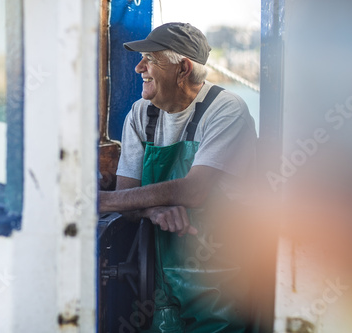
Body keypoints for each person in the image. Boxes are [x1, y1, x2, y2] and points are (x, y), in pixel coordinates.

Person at [99, 22, 257, 332]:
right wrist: (153, 210)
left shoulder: (226, 110)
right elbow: (127, 194)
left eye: (150, 59)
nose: (139, 67)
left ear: (182, 67)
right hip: (162, 280)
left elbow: (194, 190)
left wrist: (104, 201)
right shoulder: (140, 114)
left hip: (223, 280)